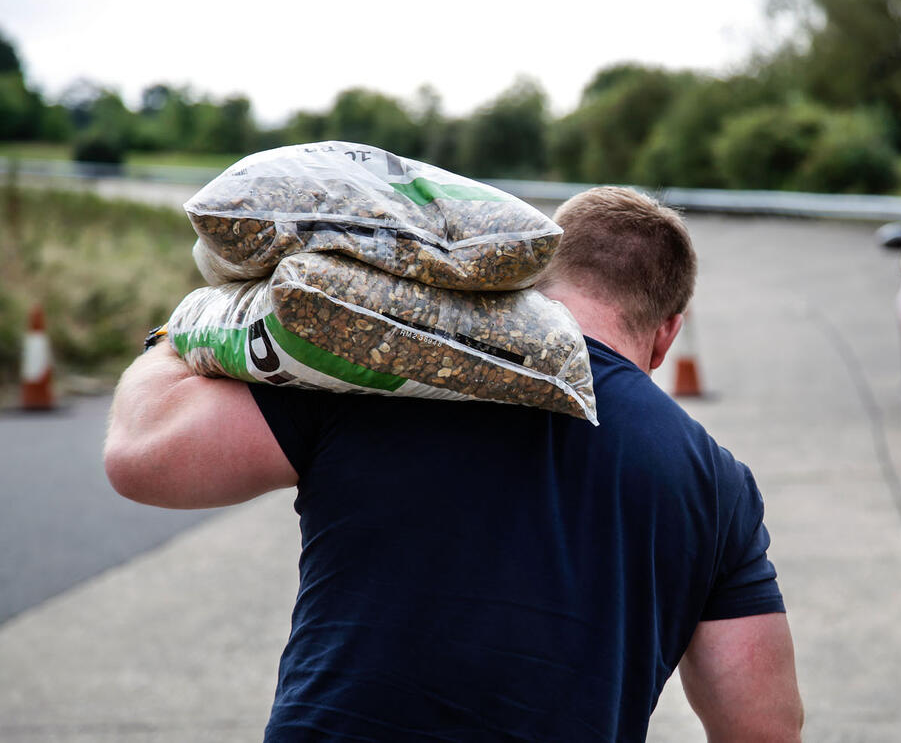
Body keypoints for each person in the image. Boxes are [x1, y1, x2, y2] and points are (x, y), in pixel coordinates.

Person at [105, 186, 804, 742]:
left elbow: (142, 458)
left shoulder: (378, 367)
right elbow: (762, 728)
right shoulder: (716, 485)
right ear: (667, 334)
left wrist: (178, 334)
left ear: (533, 277)